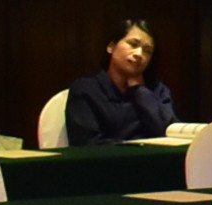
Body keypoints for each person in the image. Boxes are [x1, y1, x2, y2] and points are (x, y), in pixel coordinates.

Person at [64, 18, 178, 146]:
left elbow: (171, 132)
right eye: (133, 44)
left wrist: (139, 91)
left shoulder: (158, 90)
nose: (139, 54)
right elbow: (86, 143)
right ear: (111, 47)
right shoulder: (86, 89)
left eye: (147, 51)